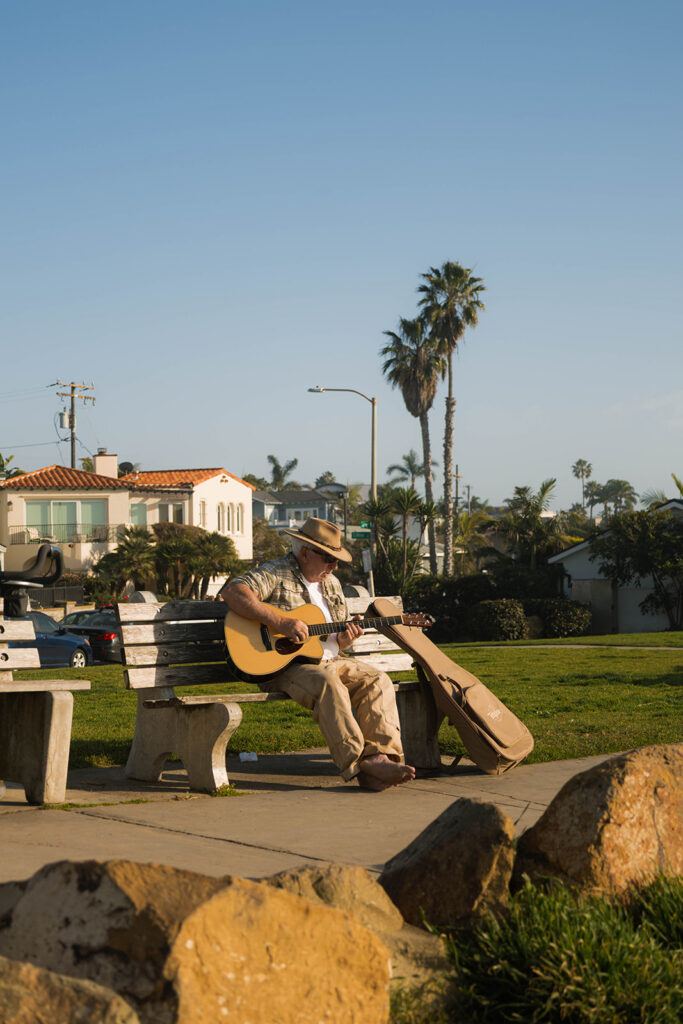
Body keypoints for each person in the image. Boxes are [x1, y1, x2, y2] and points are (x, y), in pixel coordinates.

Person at [219, 517, 415, 791]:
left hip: (332, 661)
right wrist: (281, 622)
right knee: (327, 683)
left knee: (378, 680)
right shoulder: (276, 572)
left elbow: (334, 638)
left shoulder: (332, 584)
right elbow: (233, 592)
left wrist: (345, 639)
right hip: (284, 668)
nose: (334, 566)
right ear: (305, 552)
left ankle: (382, 758)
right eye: (328, 559)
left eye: (336, 560)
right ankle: (359, 765)